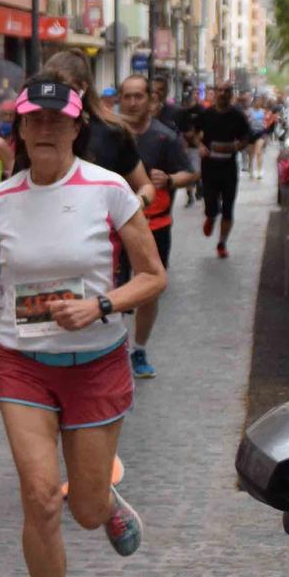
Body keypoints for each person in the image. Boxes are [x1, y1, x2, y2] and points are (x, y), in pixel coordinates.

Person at [0, 75, 163, 577]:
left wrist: (101, 307)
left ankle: (106, 504)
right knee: (42, 496)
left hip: (96, 360)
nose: (44, 127)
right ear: (19, 128)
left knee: (87, 509)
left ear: (77, 126)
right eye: (33, 118)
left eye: (57, 118)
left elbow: (152, 277)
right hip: (23, 361)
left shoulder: (109, 190)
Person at [115, 74, 195, 379]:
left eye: (139, 96)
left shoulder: (164, 137)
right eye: (128, 96)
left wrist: (171, 180)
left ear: (151, 100)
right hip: (113, 226)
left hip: (154, 224)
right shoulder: (110, 135)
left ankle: (139, 349)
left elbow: (190, 173)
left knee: (148, 290)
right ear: (120, 99)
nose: (133, 102)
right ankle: (114, 349)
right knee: (113, 286)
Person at [43, 50, 154, 201]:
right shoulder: (36, 131)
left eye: (66, 88)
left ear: (83, 88)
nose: (59, 95)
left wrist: (134, 207)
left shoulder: (111, 133)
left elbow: (145, 186)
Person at [194, 83, 254, 258]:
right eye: (219, 90)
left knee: (228, 208)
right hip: (209, 167)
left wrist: (239, 144)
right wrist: (200, 146)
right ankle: (211, 216)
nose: (222, 94)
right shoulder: (206, 114)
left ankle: (222, 243)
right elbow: (194, 132)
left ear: (231, 94)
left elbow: (247, 136)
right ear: (214, 93)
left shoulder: (238, 115)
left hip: (228, 167)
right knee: (211, 204)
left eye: (226, 91)